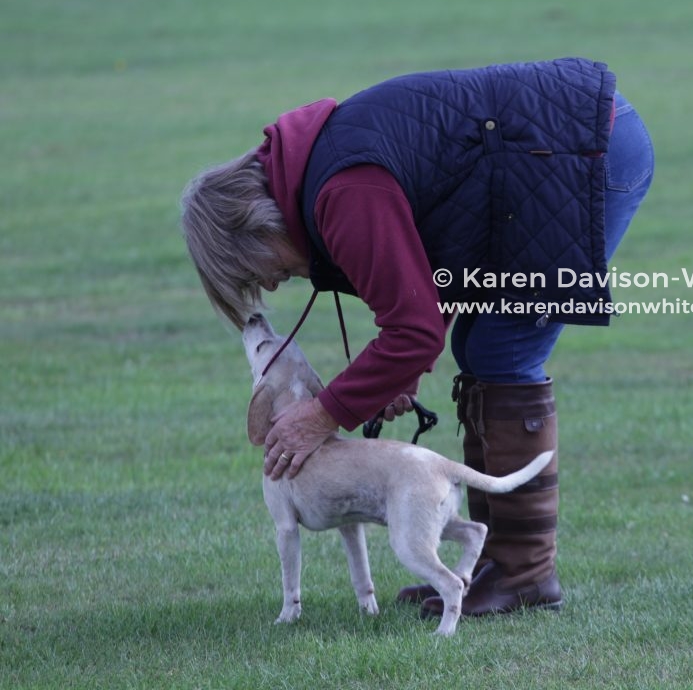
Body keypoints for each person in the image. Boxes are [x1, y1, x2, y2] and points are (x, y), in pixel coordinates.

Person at [180, 57, 653, 619]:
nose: (271, 284)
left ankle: (524, 575)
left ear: (256, 227)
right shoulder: (318, 177)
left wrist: (322, 415)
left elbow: (414, 329)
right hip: (559, 142)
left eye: (256, 272)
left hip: (583, 148)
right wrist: (398, 375)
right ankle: (495, 566)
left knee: (501, 350)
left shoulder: (341, 193)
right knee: (480, 348)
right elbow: (439, 264)